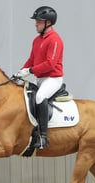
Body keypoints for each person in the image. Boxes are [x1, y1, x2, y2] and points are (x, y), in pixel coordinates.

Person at [15, 6, 64, 149]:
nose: (36, 24)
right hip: (40, 79)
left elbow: (50, 64)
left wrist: (29, 70)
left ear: (48, 22)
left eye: (39, 21)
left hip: (53, 78)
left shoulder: (55, 40)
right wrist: (20, 72)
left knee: (40, 97)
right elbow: (31, 59)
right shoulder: (37, 40)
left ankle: (43, 137)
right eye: (36, 21)